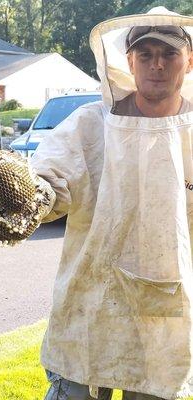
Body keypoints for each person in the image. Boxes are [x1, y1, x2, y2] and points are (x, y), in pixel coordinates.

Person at [29, 7, 193, 400]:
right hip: (90, 301)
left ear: (189, 61)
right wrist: (26, 196)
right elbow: (51, 179)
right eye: (146, 53)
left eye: (168, 54)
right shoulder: (91, 124)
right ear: (129, 60)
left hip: (165, 312)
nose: (157, 64)